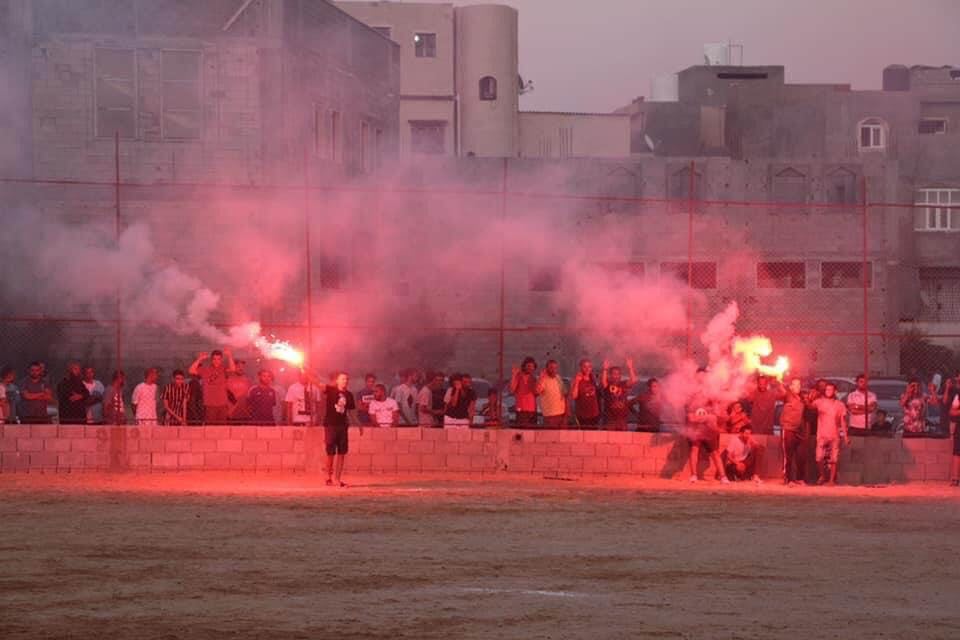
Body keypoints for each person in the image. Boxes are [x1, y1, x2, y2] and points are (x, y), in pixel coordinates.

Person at [685, 368, 728, 483]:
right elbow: (690, 417)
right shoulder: (691, 394)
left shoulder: (711, 394)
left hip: (708, 430)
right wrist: (707, 418)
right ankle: (694, 475)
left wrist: (708, 417)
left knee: (715, 452)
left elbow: (716, 414)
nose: (702, 378)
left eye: (704, 376)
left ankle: (723, 477)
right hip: (695, 429)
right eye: (700, 376)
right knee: (694, 449)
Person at [809, 382, 849, 485]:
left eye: (831, 390)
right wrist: (810, 396)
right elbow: (809, 407)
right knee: (819, 458)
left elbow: (843, 422)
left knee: (834, 459)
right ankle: (822, 475)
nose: (828, 391)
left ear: (835, 391)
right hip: (821, 435)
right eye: (827, 389)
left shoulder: (840, 405)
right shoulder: (819, 402)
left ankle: (831, 480)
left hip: (834, 435)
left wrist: (845, 437)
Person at [322, 371, 359, 487]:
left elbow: (351, 412)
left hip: (342, 426)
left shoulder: (349, 395)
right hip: (330, 425)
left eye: (347, 379)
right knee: (330, 453)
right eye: (342, 379)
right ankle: (328, 477)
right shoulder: (331, 390)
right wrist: (306, 371)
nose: (345, 381)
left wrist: (359, 424)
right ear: (337, 380)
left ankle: (337, 478)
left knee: (342, 453)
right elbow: (317, 383)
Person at [188, 349, 236, 423]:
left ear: (221, 360)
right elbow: (191, 370)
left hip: (222, 404)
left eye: (218, 359)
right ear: (211, 359)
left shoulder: (223, 369)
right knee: (210, 428)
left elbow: (233, 369)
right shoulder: (205, 369)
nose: (216, 361)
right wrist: (199, 359)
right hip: (209, 404)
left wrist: (230, 356)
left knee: (222, 428)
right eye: (214, 359)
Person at [780, 377, 808, 485]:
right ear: (790, 387)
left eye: (799, 385)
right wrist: (779, 377)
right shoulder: (787, 395)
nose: (798, 387)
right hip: (788, 429)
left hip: (799, 430)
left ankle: (800, 478)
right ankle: (789, 478)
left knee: (801, 456)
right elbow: (781, 388)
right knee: (788, 456)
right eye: (795, 385)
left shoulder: (801, 398)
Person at [601, 358, 637, 430]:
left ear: (620, 375)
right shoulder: (607, 384)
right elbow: (603, 382)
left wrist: (630, 368)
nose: (616, 376)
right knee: (609, 440)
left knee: (622, 439)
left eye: (618, 374)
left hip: (622, 419)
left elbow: (634, 380)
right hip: (610, 419)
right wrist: (605, 369)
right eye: (614, 374)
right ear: (610, 375)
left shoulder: (623, 384)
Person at [571, 359, 601, 428]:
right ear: (581, 367)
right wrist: (577, 382)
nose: (587, 369)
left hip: (594, 414)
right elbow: (574, 396)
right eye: (585, 366)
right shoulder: (576, 379)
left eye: (589, 366)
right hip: (582, 415)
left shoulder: (592, 378)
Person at [537, 360, 567, 428]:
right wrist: (540, 378)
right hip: (550, 415)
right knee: (551, 437)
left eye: (555, 368)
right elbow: (536, 391)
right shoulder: (543, 379)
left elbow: (564, 394)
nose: (553, 370)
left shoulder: (558, 378)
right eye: (551, 367)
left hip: (561, 414)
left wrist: (566, 412)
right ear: (546, 368)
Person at [510, 357, 539, 426]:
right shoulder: (518, 376)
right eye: (529, 366)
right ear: (524, 366)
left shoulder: (534, 379)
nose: (530, 368)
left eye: (532, 367)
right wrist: (514, 375)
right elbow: (512, 390)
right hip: (521, 409)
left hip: (532, 410)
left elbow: (537, 393)